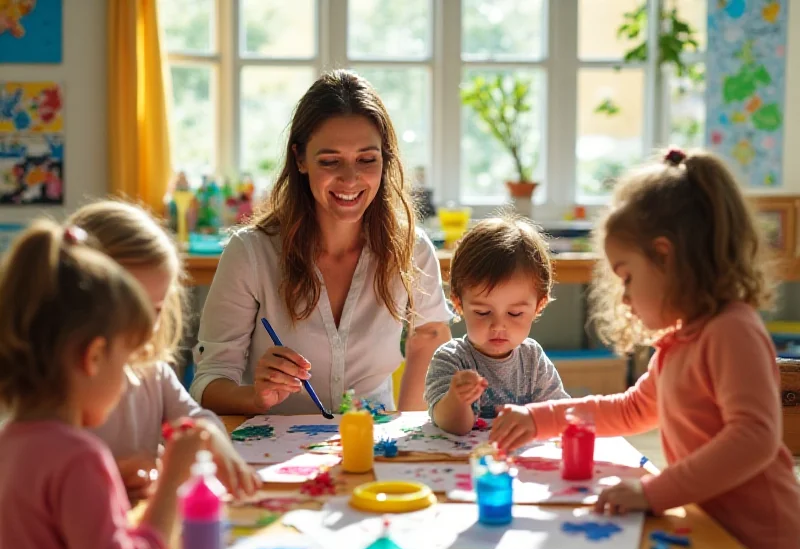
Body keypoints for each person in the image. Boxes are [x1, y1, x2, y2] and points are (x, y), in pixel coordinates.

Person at [491, 148, 800, 549]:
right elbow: (631, 409)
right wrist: (538, 418)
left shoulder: (731, 330)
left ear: (664, 255)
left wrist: (652, 492)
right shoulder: (680, 343)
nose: (624, 295)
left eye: (627, 276)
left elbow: (753, 439)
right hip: (715, 538)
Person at [191, 69, 452, 415]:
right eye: (330, 161)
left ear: (385, 159)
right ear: (300, 159)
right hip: (276, 458)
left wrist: (407, 438)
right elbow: (208, 382)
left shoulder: (412, 249)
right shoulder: (251, 254)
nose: (350, 178)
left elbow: (431, 340)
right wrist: (255, 396)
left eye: (366, 159)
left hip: (373, 446)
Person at [0, 221, 208, 549]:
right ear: (94, 357)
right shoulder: (79, 457)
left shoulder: (10, 441)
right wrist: (174, 477)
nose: (129, 378)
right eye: (126, 358)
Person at [67, 200, 260, 502]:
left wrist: (213, 441)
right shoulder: (60, 386)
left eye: (155, 309)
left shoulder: (152, 372)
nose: (147, 325)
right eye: (133, 308)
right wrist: (113, 478)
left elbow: (196, 418)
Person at [425, 215, 569, 435]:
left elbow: (558, 414)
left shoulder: (533, 359)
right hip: (464, 465)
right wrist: (457, 398)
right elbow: (454, 426)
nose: (498, 325)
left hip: (518, 465)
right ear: (459, 304)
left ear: (538, 307)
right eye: (483, 312)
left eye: (515, 313)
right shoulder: (451, 359)